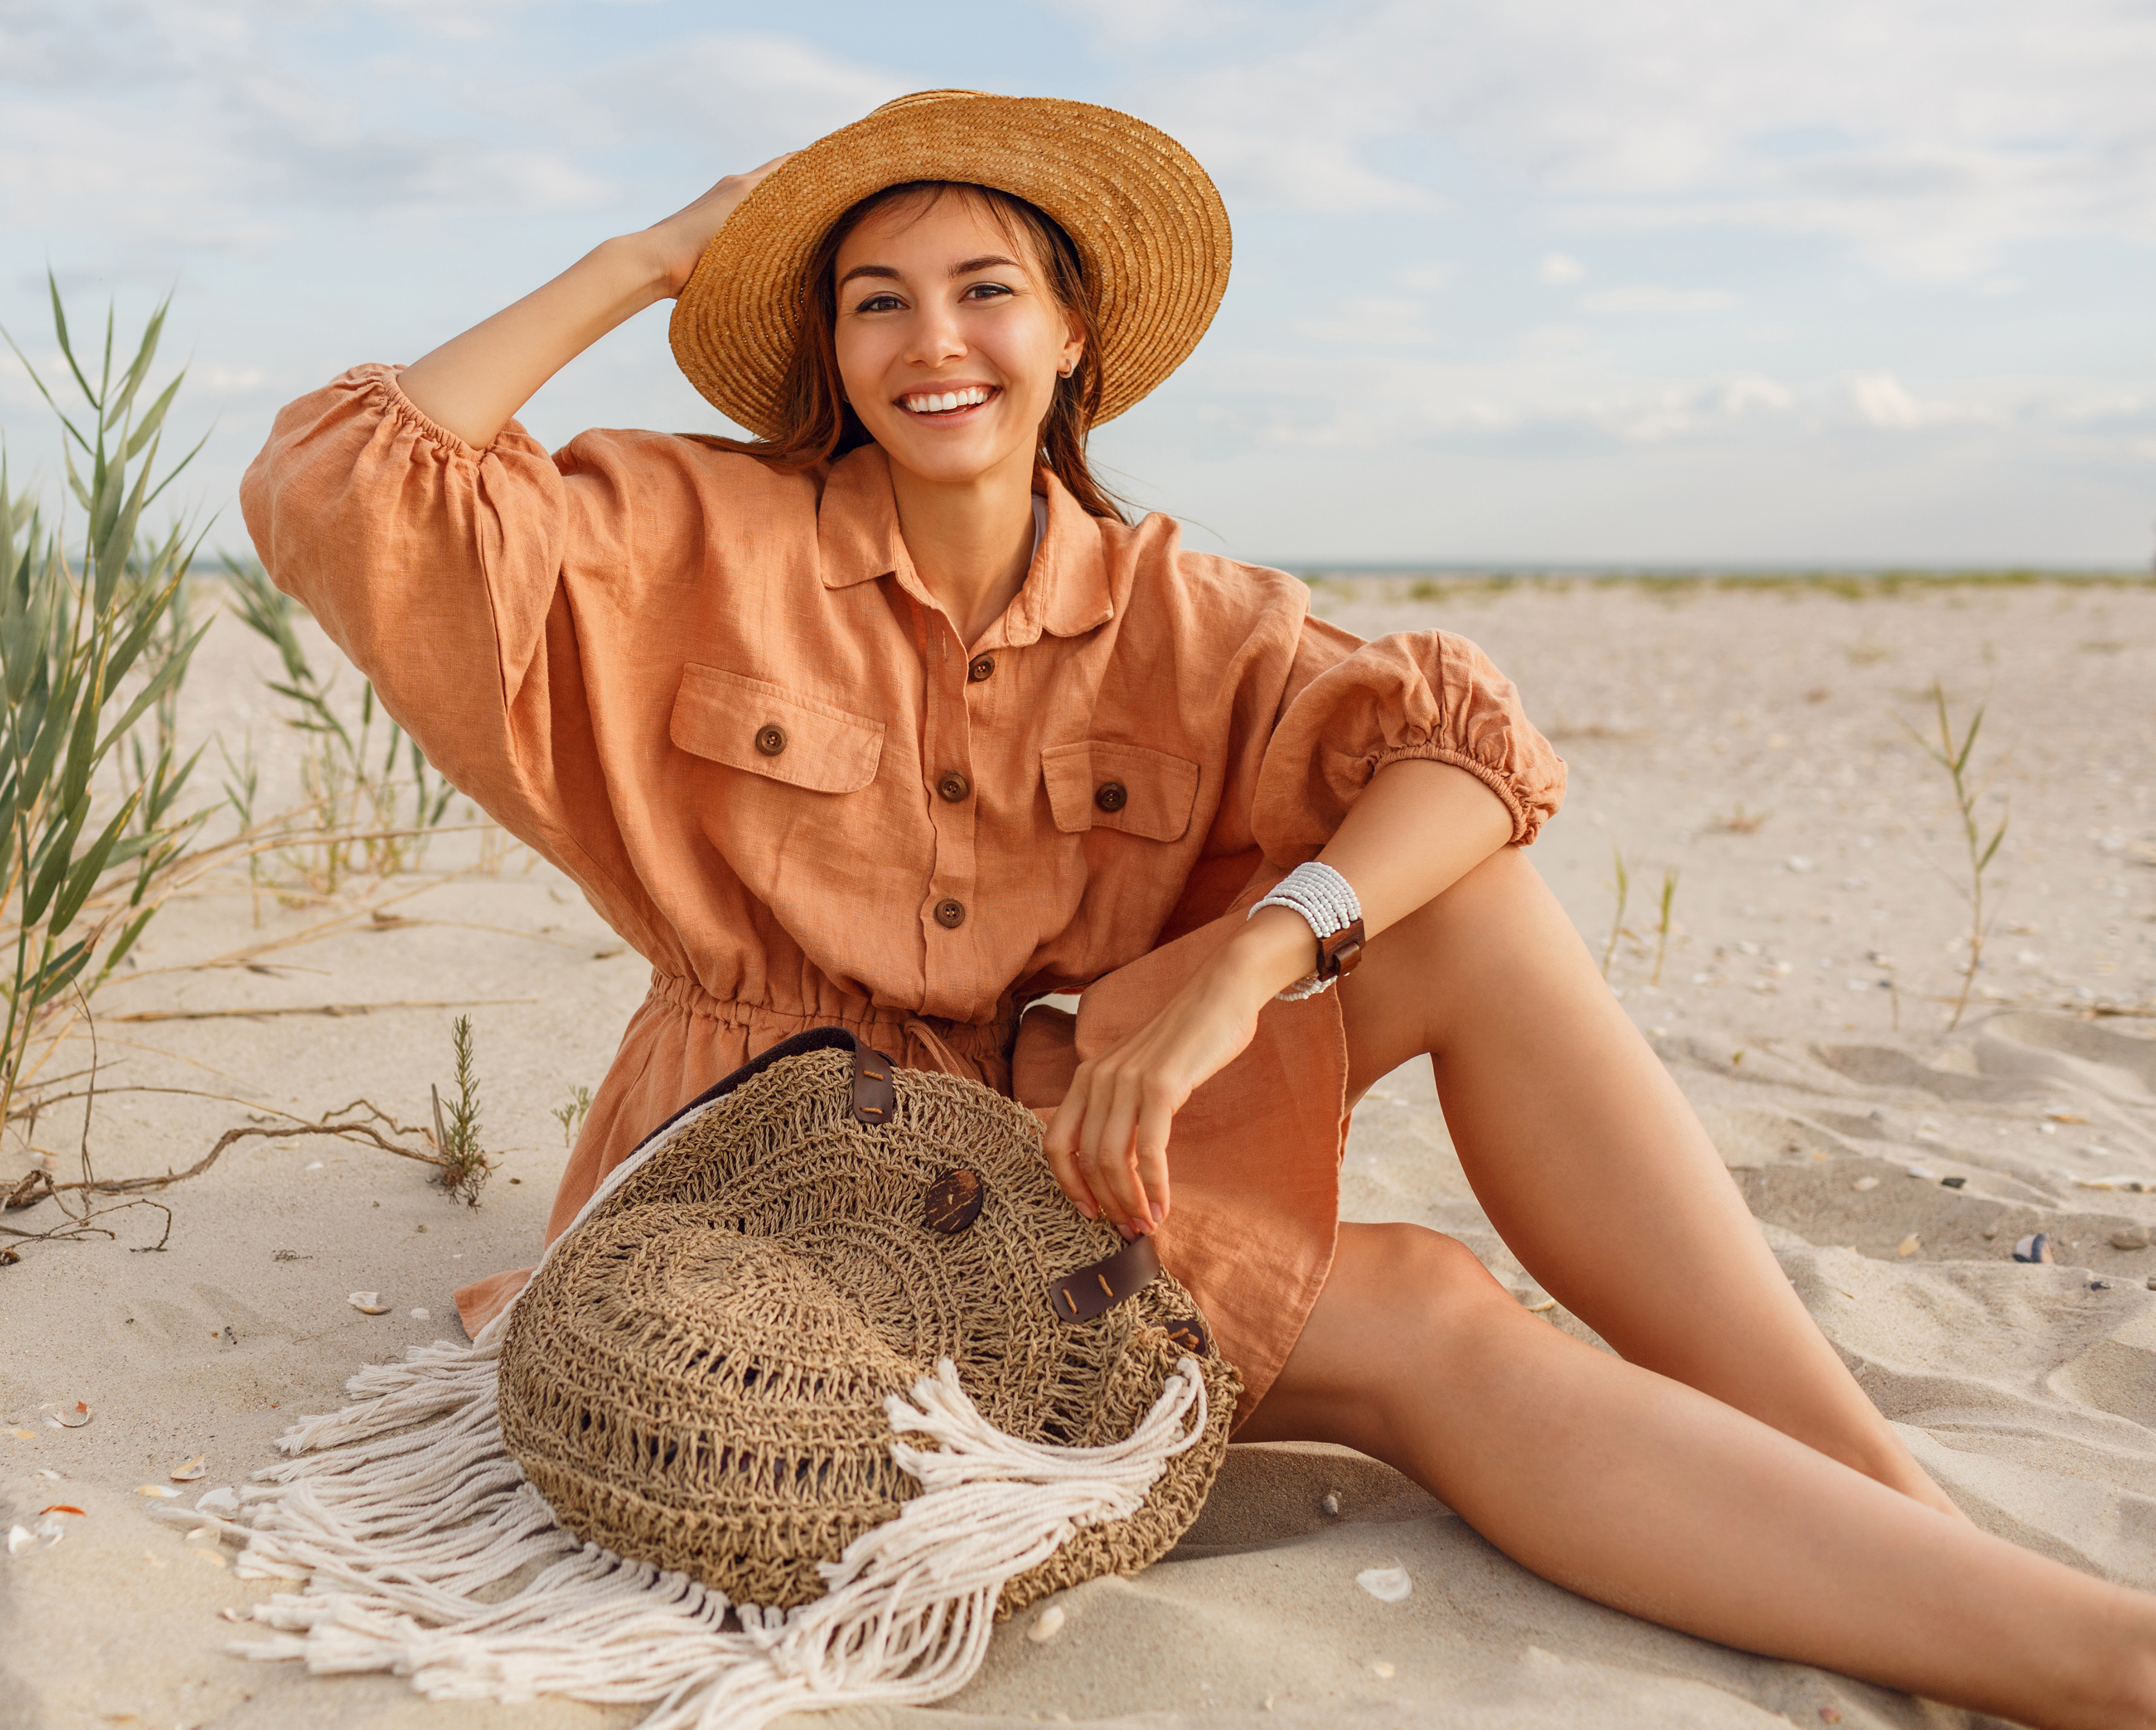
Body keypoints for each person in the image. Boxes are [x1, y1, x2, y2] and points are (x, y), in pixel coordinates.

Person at [241, 91, 2153, 1730]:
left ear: (1076, 333)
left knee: (1467, 918)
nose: (937, 342)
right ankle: (2083, 1663)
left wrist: (1258, 950)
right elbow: (342, 479)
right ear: (832, 351)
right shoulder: (690, 534)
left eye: (989, 289)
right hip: (787, 1190)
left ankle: (1891, 1504)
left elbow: (1476, 760)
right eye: (876, 299)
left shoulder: (1186, 610)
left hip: (1072, 1155)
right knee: (1417, 1303)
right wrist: (661, 253)